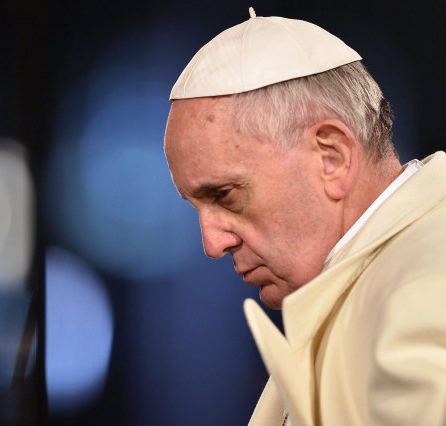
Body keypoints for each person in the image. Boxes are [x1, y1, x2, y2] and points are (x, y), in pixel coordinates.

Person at [163, 8, 446, 426]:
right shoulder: (366, 282)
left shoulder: (426, 287)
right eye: (196, 207)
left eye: (224, 195)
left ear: (331, 157)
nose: (212, 244)